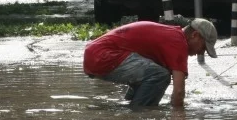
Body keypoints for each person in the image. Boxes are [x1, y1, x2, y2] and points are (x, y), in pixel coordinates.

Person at [83, 18, 218, 108]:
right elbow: (178, 92)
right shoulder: (178, 42)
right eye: (203, 47)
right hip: (103, 55)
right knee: (160, 75)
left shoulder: (172, 35)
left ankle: (131, 107)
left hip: (95, 53)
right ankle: (138, 115)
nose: (201, 53)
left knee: (153, 73)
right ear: (195, 35)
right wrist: (179, 119)